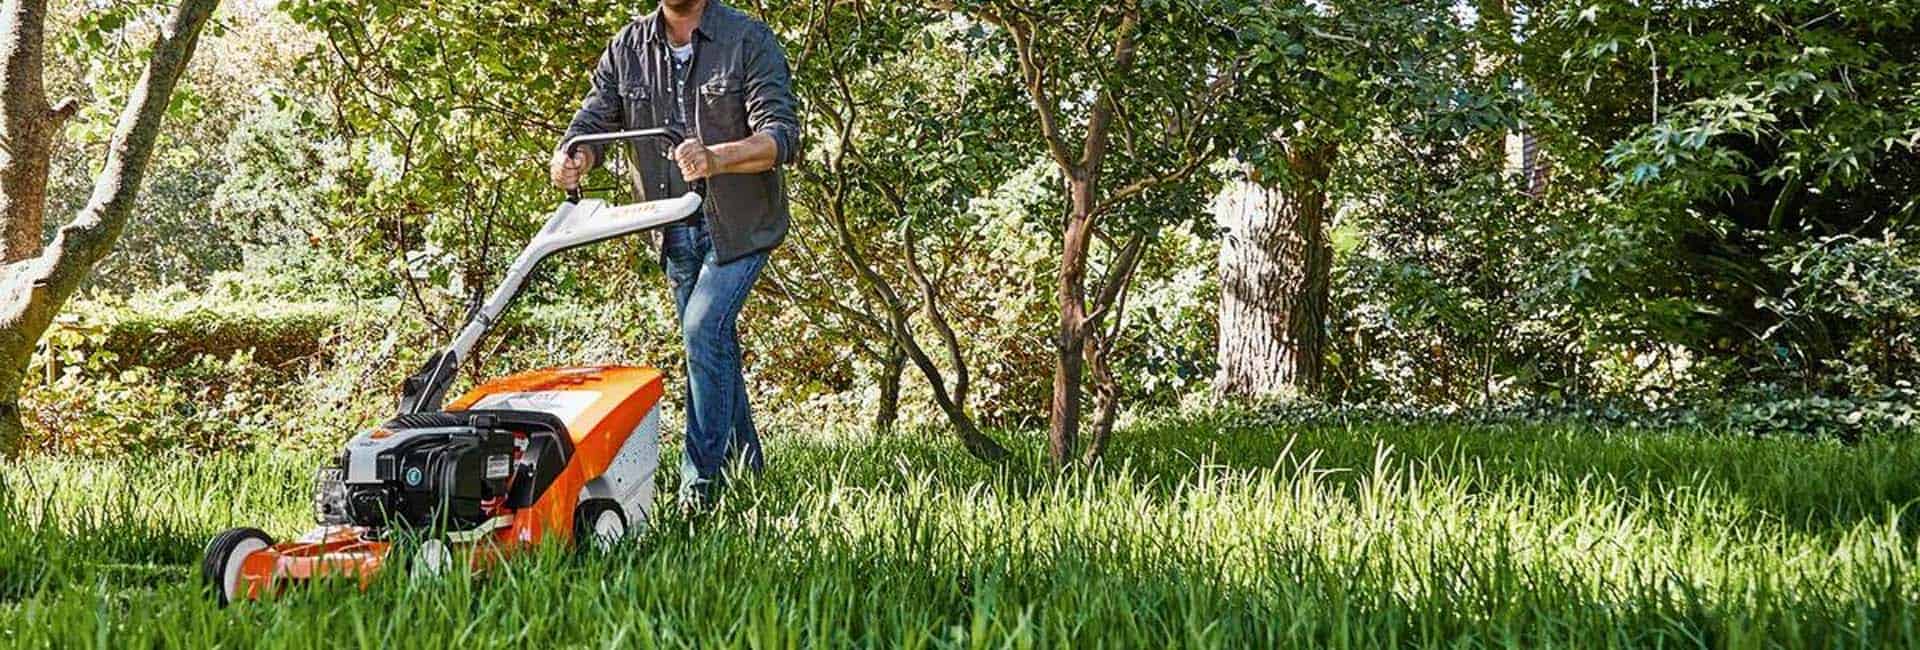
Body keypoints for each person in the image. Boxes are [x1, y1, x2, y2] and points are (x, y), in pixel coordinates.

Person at [550, 0, 800, 510]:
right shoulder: (628, 48)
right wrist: (573, 155)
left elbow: (781, 136)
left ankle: (700, 489)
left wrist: (715, 157)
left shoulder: (747, 38)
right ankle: (746, 469)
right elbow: (594, 120)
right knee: (710, 348)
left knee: (703, 331)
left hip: (740, 227)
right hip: (670, 227)